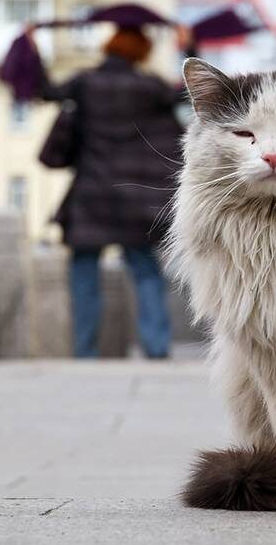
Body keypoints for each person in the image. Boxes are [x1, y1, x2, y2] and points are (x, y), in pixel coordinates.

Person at [32, 22, 190, 359]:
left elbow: (46, 91)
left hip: (92, 194)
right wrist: (189, 50)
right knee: (146, 271)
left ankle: (84, 351)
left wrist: (32, 48)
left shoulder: (85, 83)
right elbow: (188, 92)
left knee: (84, 272)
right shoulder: (150, 87)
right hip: (137, 198)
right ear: (141, 52)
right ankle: (156, 348)